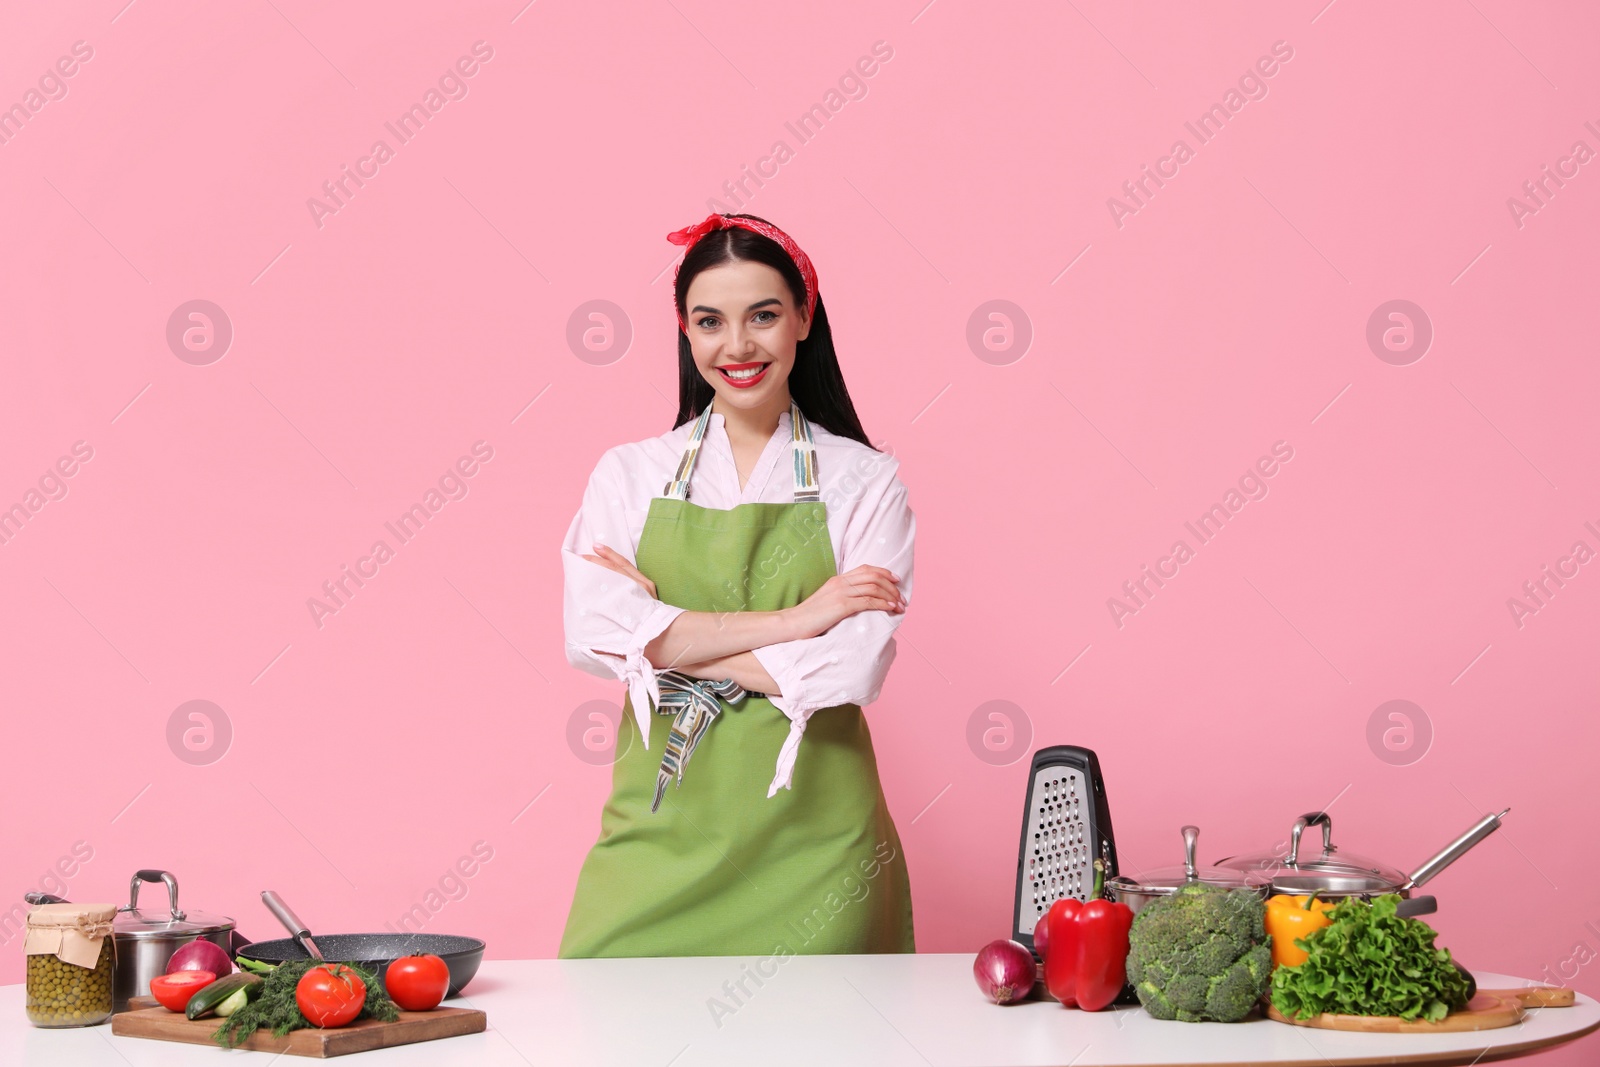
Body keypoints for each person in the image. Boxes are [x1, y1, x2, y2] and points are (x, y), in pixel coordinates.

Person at [557, 212, 917, 957]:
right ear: (686, 332)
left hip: (818, 851)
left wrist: (658, 641)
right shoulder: (628, 473)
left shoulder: (863, 479)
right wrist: (802, 617)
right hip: (659, 838)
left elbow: (852, 668)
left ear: (803, 318)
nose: (738, 345)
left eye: (763, 315)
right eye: (710, 320)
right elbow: (591, 636)